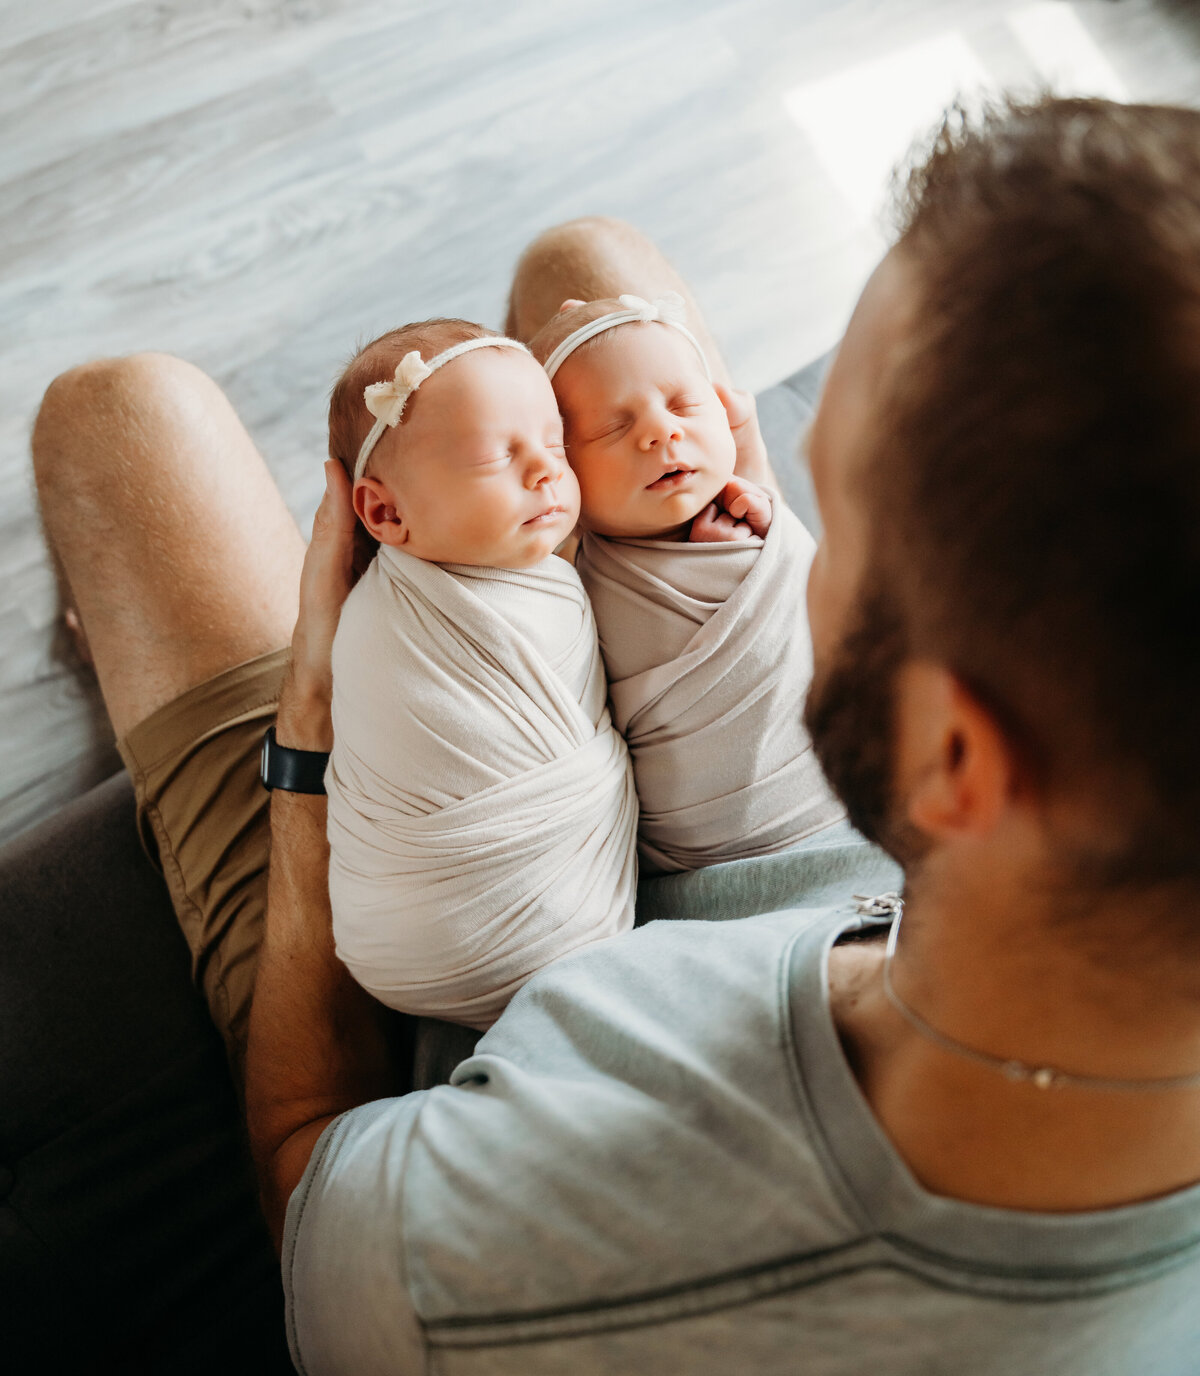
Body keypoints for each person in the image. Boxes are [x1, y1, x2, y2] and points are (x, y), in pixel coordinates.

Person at [32, 96, 1200, 1374]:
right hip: (784, 845)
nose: (775, 476)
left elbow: (307, 1170)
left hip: (473, 956)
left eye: (841, 502)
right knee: (590, 274)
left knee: (126, 416)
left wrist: (311, 739)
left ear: (956, 758)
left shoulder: (517, 1267)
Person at [322, 318, 637, 1029]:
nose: (549, 471)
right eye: (499, 457)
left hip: (405, 955)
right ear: (383, 510)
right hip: (538, 928)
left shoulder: (475, 581)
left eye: (555, 442)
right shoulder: (390, 627)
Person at [529, 291, 844, 872]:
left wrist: (763, 545)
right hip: (703, 855)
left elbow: (825, 611)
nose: (661, 432)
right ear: (559, 477)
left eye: (684, 404)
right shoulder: (565, 596)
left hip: (838, 791)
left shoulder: (758, 523)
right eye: (610, 428)